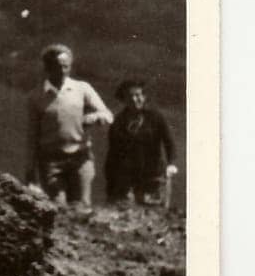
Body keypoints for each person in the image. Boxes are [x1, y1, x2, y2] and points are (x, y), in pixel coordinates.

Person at [25, 43, 112, 208]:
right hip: (51, 162)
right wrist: (30, 172)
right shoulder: (36, 97)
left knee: (81, 208)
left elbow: (107, 115)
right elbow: (32, 135)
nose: (63, 71)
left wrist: (94, 117)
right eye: (58, 67)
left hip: (80, 158)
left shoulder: (82, 89)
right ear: (47, 68)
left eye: (66, 67)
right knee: (57, 208)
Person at [105, 80, 178, 206]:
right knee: (127, 215)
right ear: (124, 99)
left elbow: (169, 142)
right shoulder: (118, 122)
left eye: (138, 95)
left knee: (155, 216)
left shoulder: (156, 117)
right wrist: (111, 181)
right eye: (130, 96)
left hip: (153, 176)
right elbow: (113, 154)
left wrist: (171, 163)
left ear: (144, 97)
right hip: (128, 179)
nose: (135, 99)